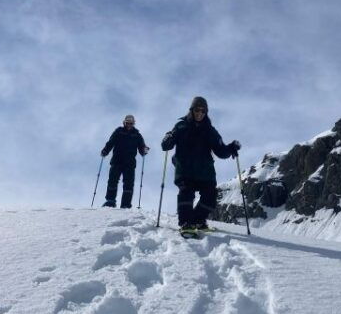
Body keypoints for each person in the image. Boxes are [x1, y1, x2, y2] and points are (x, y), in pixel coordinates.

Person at [161, 96, 241, 231]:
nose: (200, 113)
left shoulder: (210, 130)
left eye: (203, 111)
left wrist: (231, 148)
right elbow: (166, 145)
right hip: (185, 168)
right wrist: (167, 139)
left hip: (205, 171)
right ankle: (186, 224)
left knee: (210, 196)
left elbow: (221, 151)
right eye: (197, 110)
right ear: (191, 110)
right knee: (186, 193)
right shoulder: (181, 126)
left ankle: (197, 222)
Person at [101, 115, 149, 208]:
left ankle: (126, 204)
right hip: (117, 160)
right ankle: (110, 201)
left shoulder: (137, 134)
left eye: (131, 123)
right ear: (124, 122)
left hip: (129, 163)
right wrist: (105, 150)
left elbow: (141, 146)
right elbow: (111, 142)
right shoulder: (118, 131)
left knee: (129, 184)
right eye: (127, 123)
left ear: (133, 123)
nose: (129, 125)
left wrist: (144, 150)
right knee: (112, 181)